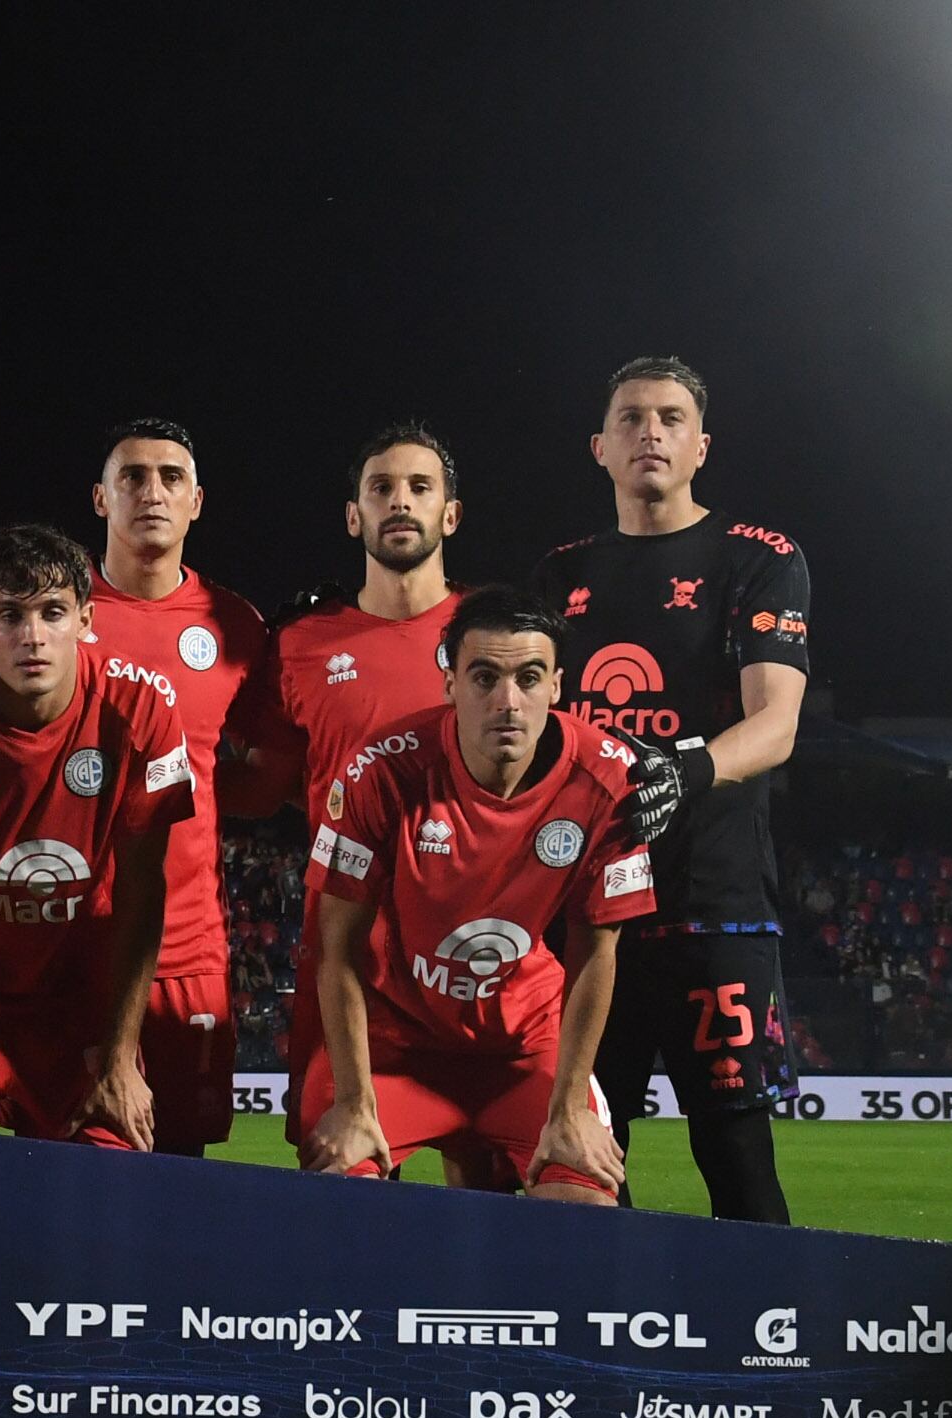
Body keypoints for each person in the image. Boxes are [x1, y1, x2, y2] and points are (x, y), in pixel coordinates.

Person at [533, 356, 809, 1223]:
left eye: (670, 417)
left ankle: (773, 1347)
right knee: (581, 1156)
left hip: (711, 904)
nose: (650, 431)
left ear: (700, 447)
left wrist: (681, 768)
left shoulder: (758, 559)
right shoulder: (557, 574)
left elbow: (778, 724)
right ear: (599, 447)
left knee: (731, 1146)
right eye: (630, 418)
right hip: (585, 914)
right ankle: (601, 1347)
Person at [300, 586, 652, 1201]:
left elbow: (598, 953)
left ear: (558, 686)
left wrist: (569, 1108)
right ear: (449, 683)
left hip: (523, 1052)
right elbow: (337, 949)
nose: (507, 703)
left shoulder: (610, 778)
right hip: (395, 1048)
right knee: (339, 1203)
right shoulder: (381, 769)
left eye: (529, 678)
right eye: (484, 677)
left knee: (587, 1207)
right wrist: (356, 1103)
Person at [0, 524, 192, 1148]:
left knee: (110, 1186)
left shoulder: (142, 707)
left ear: (87, 619)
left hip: (81, 1010)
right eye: (10, 616)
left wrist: (122, 1058)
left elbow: (142, 891)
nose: (33, 637)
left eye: (53, 613)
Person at [234, 424, 469, 1154]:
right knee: (343, 1177)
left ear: (450, 515)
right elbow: (260, 786)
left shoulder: (495, 635)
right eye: (381, 489)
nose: (400, 503)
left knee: (491, 1191)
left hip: (473, 945)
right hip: (347, 953)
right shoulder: (300, 643)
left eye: (419, 488)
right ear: (353, 515)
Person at [83, 418, 274, 1154]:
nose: (151, 492)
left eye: (170, 478)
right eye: (132, 476)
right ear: (101, 498)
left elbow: (262, 778)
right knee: (75, 1160)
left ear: (198, 501)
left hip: (187, 944)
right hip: (73, 942)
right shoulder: (56, 619)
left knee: (182, 1163)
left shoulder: (235, 626)